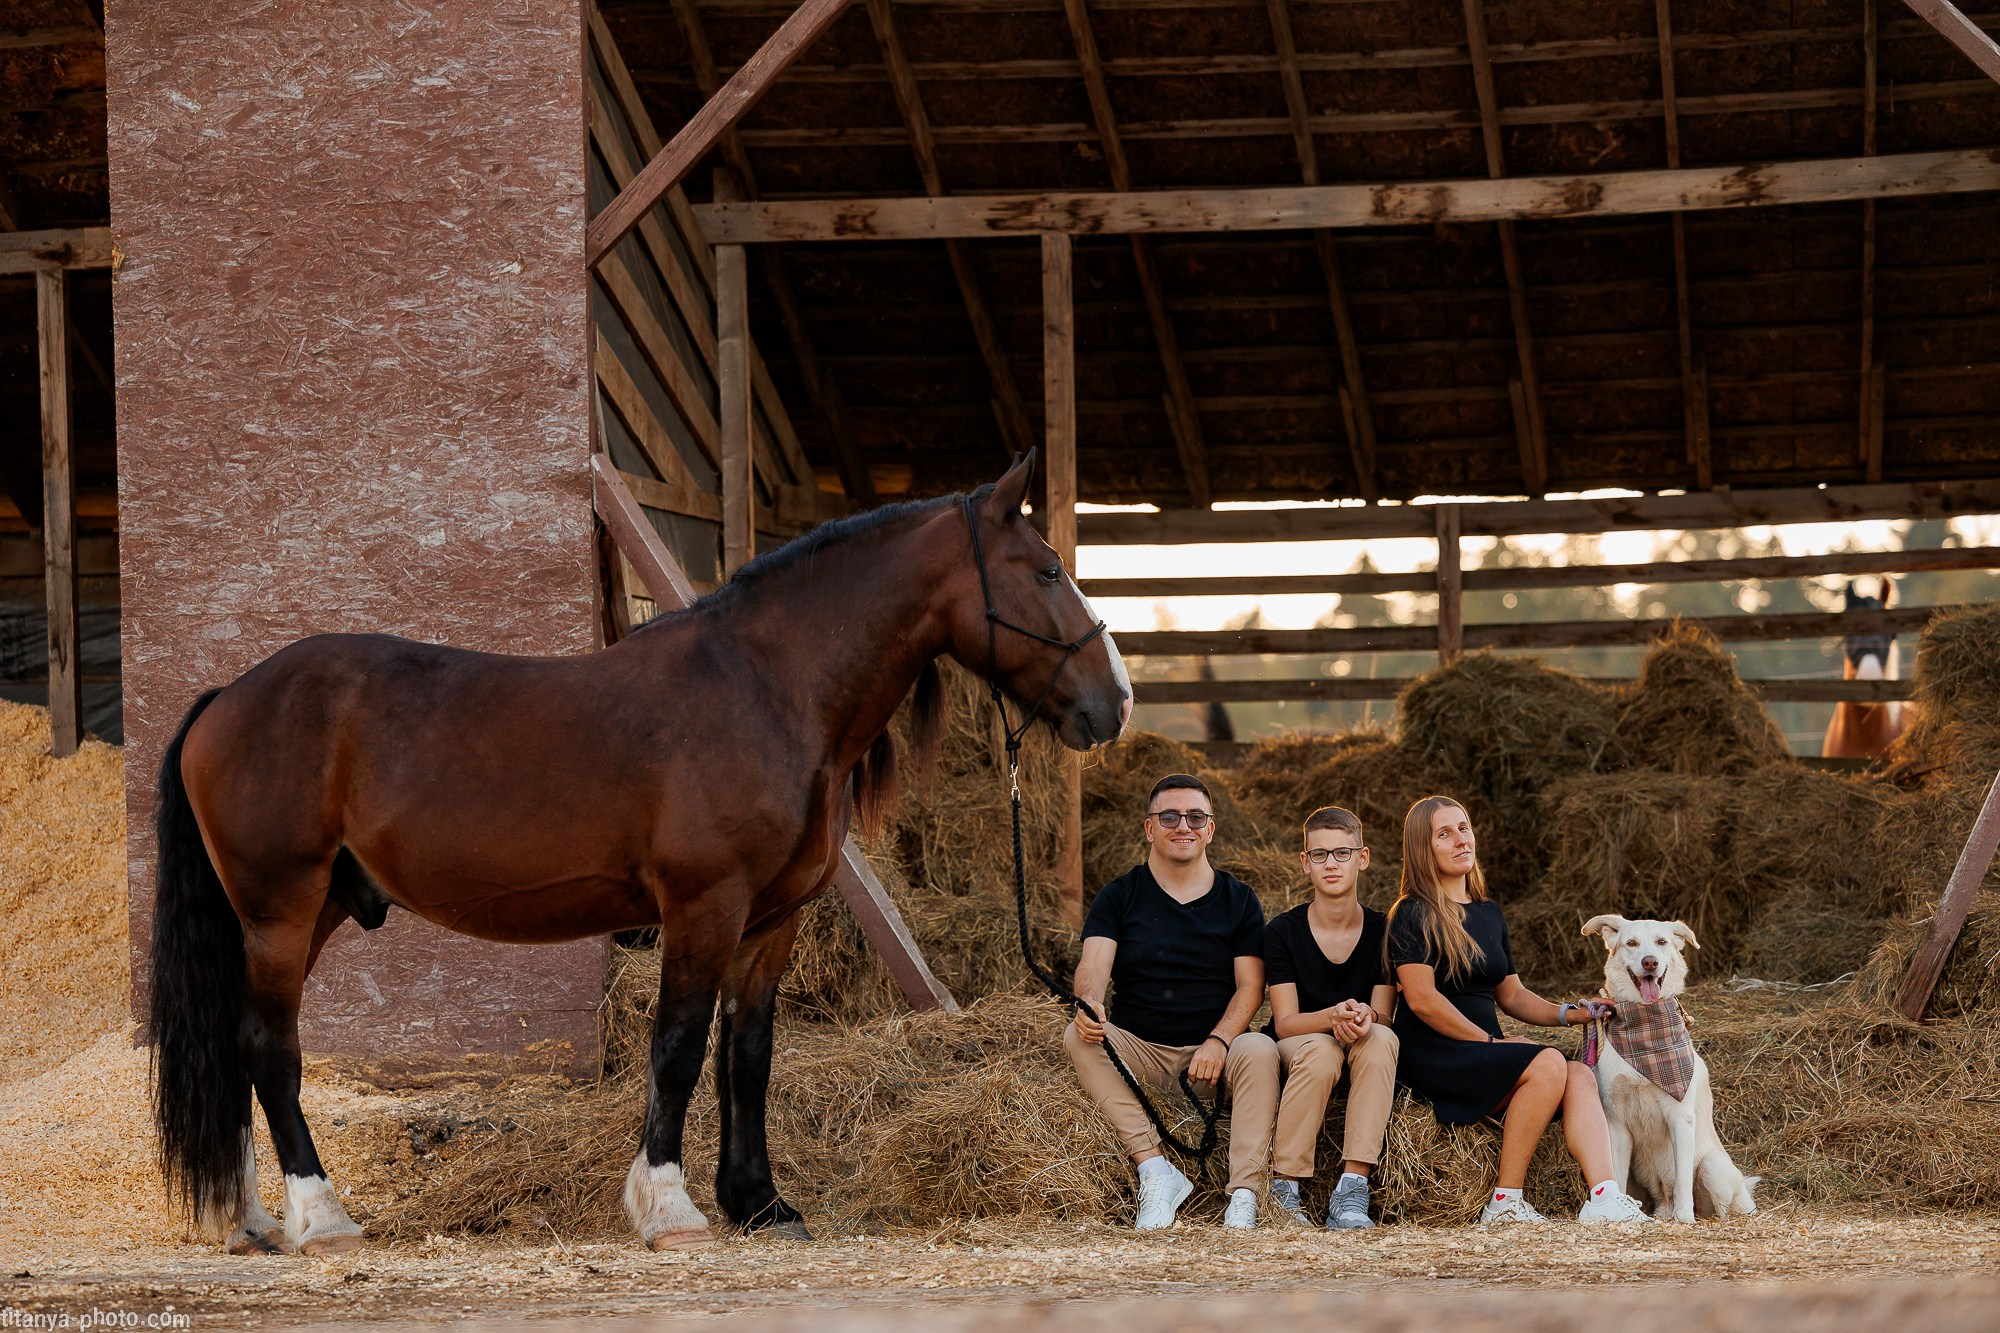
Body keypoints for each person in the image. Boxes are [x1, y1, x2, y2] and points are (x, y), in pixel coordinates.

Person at [1385, 795, 1650, 1225]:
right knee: (1546, 1063)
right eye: (1444, 833)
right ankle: (1504, 1202)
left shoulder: (1489, 913)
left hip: (1484, 1050)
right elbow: (1422, 1001)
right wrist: (1493, 1042)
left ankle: (1603, 1197)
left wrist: (1571, 1013)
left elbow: (1511, 995)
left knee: (1579, 1073)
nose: (1460, 840)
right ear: (1423, 848)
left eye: (1464, 827)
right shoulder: (1412, 913)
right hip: (1435, 1051)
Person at [1064, 774, 1280, 1231]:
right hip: (1140, 1052)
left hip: (1213, 1061)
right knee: (1077, 1036)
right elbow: (1094, 965)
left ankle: (1244, 1193)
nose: (1183, 825)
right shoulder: (1119, 895)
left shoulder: (1239, 900)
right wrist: (1089, 1004)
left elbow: (1251, 988)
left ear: (1210, 829)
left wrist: (1220, 1041)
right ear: (1149, 828)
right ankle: (1155, 1170)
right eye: (1169, 816)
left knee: (1260, 1049)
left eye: (1195, 817)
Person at [1262, 805, 1399, 1230]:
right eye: (1319, 855)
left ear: (1363, 857)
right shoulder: (1281, 932)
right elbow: (1285, 1022)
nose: (1331, 864)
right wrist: (1332, 1016)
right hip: (1300, 1041)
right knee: (1322, 1049)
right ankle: (1284, 1188)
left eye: (1342, 853)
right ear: (1305, 863)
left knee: (1381, 1038)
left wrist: (1363, 1014)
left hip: (1359, 1034)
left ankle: (1352, 1189)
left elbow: (1386, 1015)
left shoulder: (1386, 929)